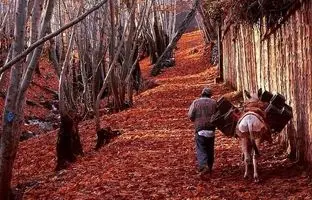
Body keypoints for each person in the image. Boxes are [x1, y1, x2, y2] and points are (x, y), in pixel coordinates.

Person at [188, 88, 217, 175]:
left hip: (200, 129)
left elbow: (190, 115)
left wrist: (195, 120)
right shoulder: (214, 103)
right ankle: (210, 165)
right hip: (211, 129)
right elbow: (218, 115)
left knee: (201, 148)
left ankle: (203, 165)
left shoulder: (196, 102)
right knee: (210, 148)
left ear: (202, 94)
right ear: (210, 95)